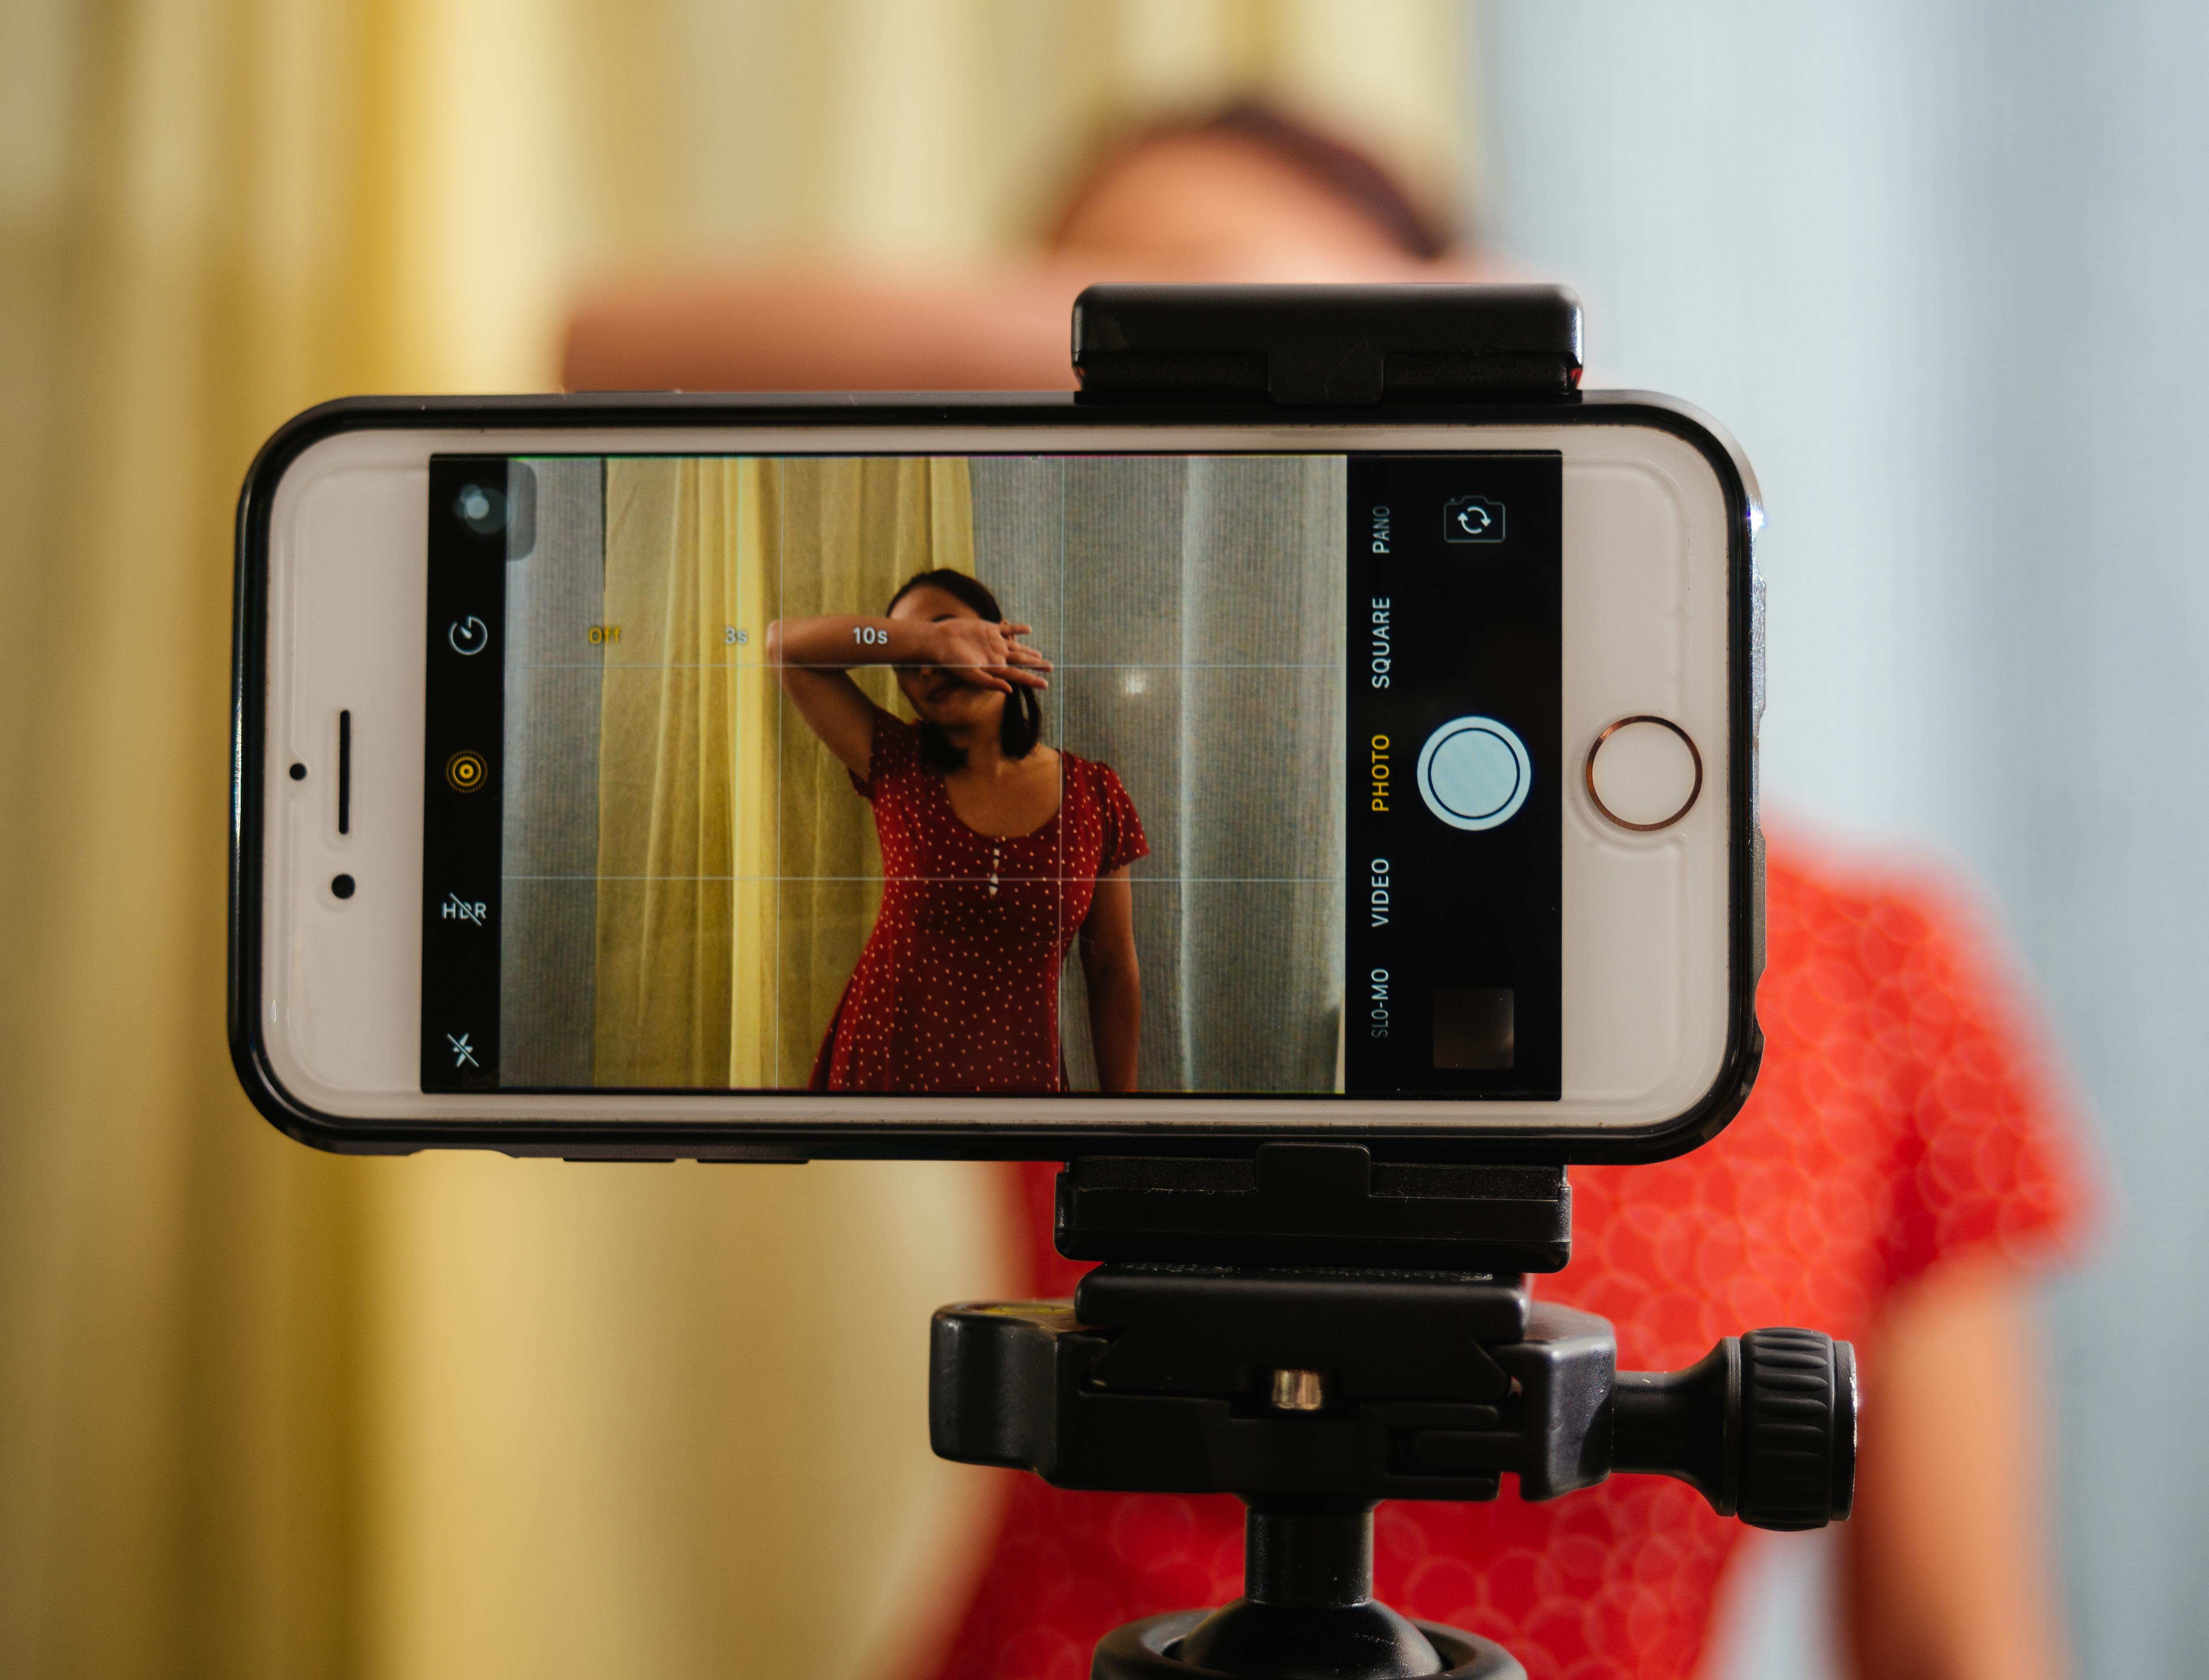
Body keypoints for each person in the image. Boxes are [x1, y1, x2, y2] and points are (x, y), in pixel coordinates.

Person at [569, 104, 2093, 1680]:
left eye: (1226, 303)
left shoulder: (1872, 967)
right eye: (1098, 369)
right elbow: (604, 348)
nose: (1184, 439)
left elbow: (1957, 1636)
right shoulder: (1090, 833)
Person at [769, 569, 1147, 1094]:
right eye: (908, 659)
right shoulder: (894, 762)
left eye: (951, 631)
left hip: (1022, 1091)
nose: (928, 665)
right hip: (882, 1082)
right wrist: (928, 638)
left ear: (1001, 638)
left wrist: (1121, 1124)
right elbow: (783, 646)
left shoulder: (1094, 793)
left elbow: (1111, 969)